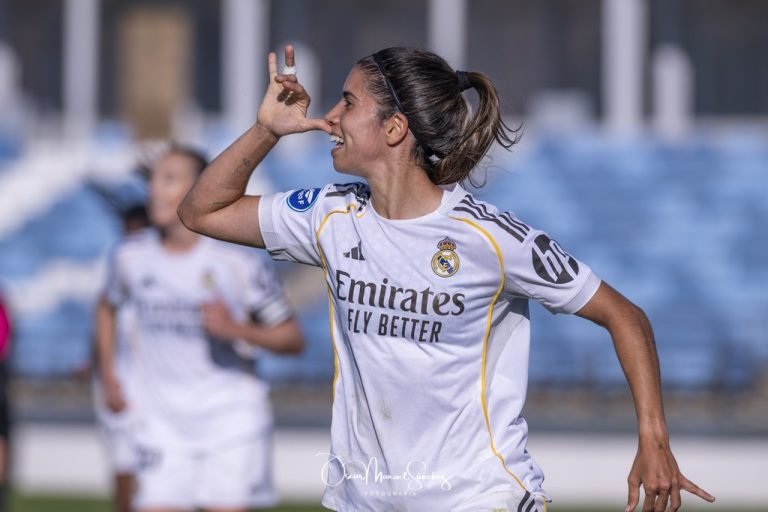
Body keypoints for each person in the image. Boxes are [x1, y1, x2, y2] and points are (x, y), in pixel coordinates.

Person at [178, 45, 716, 512]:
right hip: (366, 497)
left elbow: (626, 316)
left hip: (479, 496)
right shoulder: (328, 216)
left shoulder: (491, 240)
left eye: (349, 101)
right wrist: (265, 131)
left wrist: (654, 436)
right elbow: (202, 212)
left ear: (394, 128)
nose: (331, 116)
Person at [95, 145, 305, 512]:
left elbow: (291, 338)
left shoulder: (236, 262)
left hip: (230, 421)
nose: (154, 190)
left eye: (169, 179)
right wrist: (110, 374)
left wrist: (236, 329)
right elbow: (106, 306)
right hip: (161, 424)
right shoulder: (127, 256)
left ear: (198, 189)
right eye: (154, 180)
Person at [92, 205, 150, 512]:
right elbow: (103, 314)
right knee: (124, 462)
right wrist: (108, 375)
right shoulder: (121, 264)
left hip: (159, 383)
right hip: (125, 379)